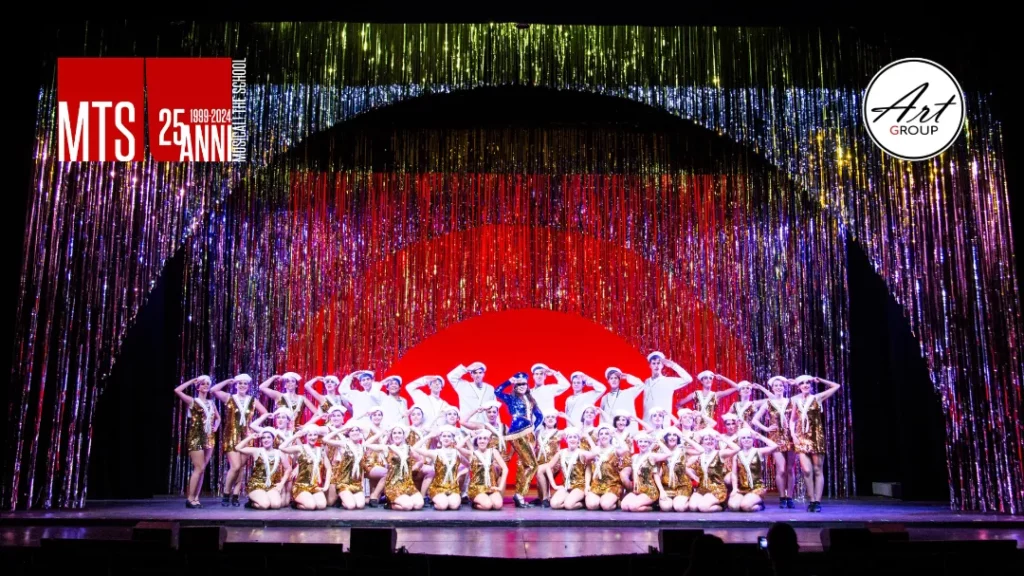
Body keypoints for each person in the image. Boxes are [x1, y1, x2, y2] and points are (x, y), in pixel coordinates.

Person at [210, 373, 268, 506]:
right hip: (231, 436)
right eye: (240, 383)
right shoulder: (229, 397)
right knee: (235, 466)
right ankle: (226, 493)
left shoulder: (252, 400)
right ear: (236, 385)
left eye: (245, 384)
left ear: (248, 386)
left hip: (246, 436)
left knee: (241, 467)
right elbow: (213, 390)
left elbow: (265, 412)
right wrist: (227, 381)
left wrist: (254, 426)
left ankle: (235, 495)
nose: (242, 386)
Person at [790, 374, 841, 512]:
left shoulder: (817, 398)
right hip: (802, 438)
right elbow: (792, 420)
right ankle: (811, 499)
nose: (805, 385)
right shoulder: (796, 401)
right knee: (807, 471)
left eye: (808, 383)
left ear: (811, 385)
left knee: (818, 470)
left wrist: (820, 380)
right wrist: (793, 435)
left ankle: (817, 501)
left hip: (816, 437)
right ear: (799, 386)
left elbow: (836, 386)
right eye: (802, 383)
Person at [495, 371, 544, 508]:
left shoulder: (531, 400)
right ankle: (519, 495)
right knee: (532, 465)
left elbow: (540, 416)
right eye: (519, 384)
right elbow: (497, 391)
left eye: (524, 384)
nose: (522, 386)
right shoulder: (511, 398)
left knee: (523, 465)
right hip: (518, 433)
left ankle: (520, 497)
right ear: (515, 386)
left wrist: (533, 428)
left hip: (529, 434)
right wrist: (508, 381)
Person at [174, 375, 221, 509]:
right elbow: (177, 390)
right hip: (196, 436)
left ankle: (196, 497)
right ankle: (190, 498)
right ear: (198, 387)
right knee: (198, 468)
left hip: (209, 437)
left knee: (202, 469)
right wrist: (192, 380)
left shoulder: (211, 403)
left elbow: (218, 418)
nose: (205, 386)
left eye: (207, 384)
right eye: (202, 384)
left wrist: (216, 426)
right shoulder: (193, 401)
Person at [752, 376, 797, 508]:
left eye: (781, 385)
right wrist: (766, 428)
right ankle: (782, 497)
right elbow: (755, 420)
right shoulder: (768, 403)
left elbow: (797, 418)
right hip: (776, 438)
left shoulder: (791, 402)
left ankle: (790, 497)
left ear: (784, 387)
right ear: (772, 388)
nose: (778, 387)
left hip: (790, 437)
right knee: (781, 469)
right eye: (776, 386)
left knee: (790, 469)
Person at [364, 424, 424, 511]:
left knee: (418, 505)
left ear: (403, 435)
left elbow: (420, 460)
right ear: (391, 436)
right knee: (408, 506)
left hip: (408, 485)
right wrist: (380, 434)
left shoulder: (408, 449)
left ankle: (401, 501)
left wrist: (414, 468)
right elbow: (366, 444)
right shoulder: (387, 448)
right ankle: (390, 504)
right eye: (394, 433)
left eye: (399, 433)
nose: (397, 435)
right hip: (393, 486)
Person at [412, 425, 466, 511]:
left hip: (453, 488)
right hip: (438, 487)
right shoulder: (435, 453)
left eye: (449, 436)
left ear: (453, 439)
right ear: (440, 439)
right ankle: (435, 499)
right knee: (443, 506)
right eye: (444, 436)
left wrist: (460, 474)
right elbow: (415, 448)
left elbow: (469, 465)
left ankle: (445, 499)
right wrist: (429, 436)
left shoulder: (458, 453)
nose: (446, 438)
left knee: (454, 506)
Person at [280, 425, 332, 510]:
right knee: (311, 506)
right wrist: (295, 436)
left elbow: (329, 468)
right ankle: (296, 504)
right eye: (310, 435)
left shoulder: (321, 450)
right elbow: (281, 448)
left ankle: (307, 500)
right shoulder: (300, 448)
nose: (313, 437)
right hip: (301, 486)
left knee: (321, 505)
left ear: (317, 436)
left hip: (314, 486)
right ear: (306, 437)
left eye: (315, 435)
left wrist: (326, 486)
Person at [544, 427, 597, 510]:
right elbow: (548, 467)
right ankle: (569, 500)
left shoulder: (581, 453)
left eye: (575, 437)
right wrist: (554, 485)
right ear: (566, 440)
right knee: (554, 504)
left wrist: (588, 437)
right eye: (570, 437)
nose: (572, 439)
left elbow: (595, 453)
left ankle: (582, 503)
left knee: (568, 505)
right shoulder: (561, 453)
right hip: (566, 487)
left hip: (579, 486)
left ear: (578, 440)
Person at [688, 428, 740, 512]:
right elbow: (685, 466)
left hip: (717, 489)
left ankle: (722, 506)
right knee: (692, 507)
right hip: (701, 489)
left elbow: (737, 449)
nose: (709, 441)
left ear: (715, 442)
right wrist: (693, 476)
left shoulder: (720, 453)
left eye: (712, 439)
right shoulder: (698, 456)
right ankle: (707, 501)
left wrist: (722, 438)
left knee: (703, 507)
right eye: (706, 439)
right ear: (702, 442)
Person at [235, 429, 289, 509]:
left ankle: (263, 497)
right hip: (257, 485)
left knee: (276, 505)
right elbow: (238, 448)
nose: (266, 440)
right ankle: (252, 503)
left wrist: (281, 483)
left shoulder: (279, 453)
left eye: (268, 437)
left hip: (271, 485)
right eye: (263, 438)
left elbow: (288, 468)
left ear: (273, 439)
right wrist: (251, 437)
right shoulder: (256, 451)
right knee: (265, 505)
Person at [456, 428, 508, 510]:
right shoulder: (472, 454)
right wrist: (470, 435)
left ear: (488, 441)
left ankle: (486, 500)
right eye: (480, 438)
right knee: (487, 505)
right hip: (477, 488)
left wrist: (500, 487)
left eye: (485, 439)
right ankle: (475, 504)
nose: (482, 441)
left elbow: (505, 468)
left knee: (498, 505)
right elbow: (458, 447)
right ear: (476, 441)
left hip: (491, 487)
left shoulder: (493, 451)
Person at [728, 428, 779, 512]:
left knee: (745, 506)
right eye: (743, 438)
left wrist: (760, 437)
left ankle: (759, 505)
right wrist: (734, 488)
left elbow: (775, 446)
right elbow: (734, 474)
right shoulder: (737, 455)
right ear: (740, 440)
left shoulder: (758, 451)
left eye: (749, 437)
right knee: (733, 507)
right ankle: (747, 501)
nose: (746, 440)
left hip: (756, 488)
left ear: (753, 439)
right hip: (742, 488)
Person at [322, 421, 369, 509]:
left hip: (356, 483)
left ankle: (346, 498)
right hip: (344, 483)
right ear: (348, 434)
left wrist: (362, 483)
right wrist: (340, 430)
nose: (355, 432)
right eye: (352, 431)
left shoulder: (362, 447)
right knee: (351, 506)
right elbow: (325, 439)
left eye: (357, 430)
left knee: (360, 505)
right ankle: (341, 499)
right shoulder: (344, 444)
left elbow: (361, 468)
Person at [584, 424, 631, 510]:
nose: (604, 436)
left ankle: (615, 501)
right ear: (598, 437)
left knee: (605, 505)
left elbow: (626, 450)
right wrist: (587, 485)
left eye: (606, 433)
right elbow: (588, 466)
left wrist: (615, 434)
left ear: (610, 436)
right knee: (592, 505)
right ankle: (602, 500)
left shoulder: (615, 450)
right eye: (601, 434)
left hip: (612, 485)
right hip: (597, 485)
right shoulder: (595, 450)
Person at [642, 352, 693, 422]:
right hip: (647, 420)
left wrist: (673, 365)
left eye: (658, 363)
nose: (656, 366)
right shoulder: (646, 381)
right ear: (650, 365)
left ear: (662, 365)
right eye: (654, 363)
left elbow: (688, 379)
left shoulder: (668, 381)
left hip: (663, 421)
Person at [677, 371, 742, 423]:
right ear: (701, 381)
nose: (708, 380)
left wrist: (722, 377)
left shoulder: (716, 395)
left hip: (709, 425)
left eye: (710, 378)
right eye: (705, 378)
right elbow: (679, 404)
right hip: (695, 425)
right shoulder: (695, 394)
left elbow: (737, 387)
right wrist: (687, 416)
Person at [598, 367, 646, 433]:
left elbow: (641, 385)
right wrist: (601, 430)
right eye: (611, 378)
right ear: (608, 381)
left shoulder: (628, 393)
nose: (614, 380)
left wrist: (627, 377)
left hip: (628, 431)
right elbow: (602, 417)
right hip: (612, 431)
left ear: (619, 380)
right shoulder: (604, 398)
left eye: (616, 378)